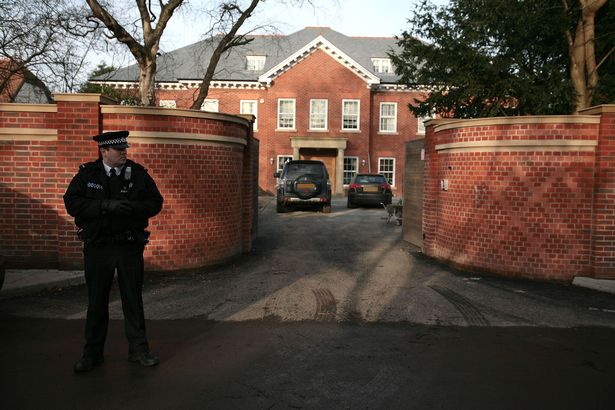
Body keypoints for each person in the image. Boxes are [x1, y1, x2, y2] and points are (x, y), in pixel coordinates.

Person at [64, 130, 163, 373]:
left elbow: (155, 202)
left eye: (124, 149)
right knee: (97, 302)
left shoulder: (138, 174)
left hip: (128, 246)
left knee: (133, 300)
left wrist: (134, 209)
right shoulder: (88, 174)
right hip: (99, 247)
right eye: (119, 150)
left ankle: (139, 351)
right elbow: (72, 202)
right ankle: (92, 354)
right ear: (104, 151)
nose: (124, 153)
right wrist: (103, 206)